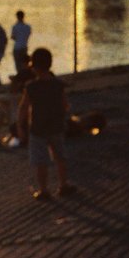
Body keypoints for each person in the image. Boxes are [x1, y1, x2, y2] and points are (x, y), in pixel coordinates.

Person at [17, 47, 76, 201]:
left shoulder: (31, 87)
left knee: (40, 161)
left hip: (38, 129)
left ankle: (44, 190)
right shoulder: (58, 84)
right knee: (60, 157)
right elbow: (64, 104)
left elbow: (23, 107)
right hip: (56, 126)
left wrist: (20, 126)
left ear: (34, 67)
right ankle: (64, 185)